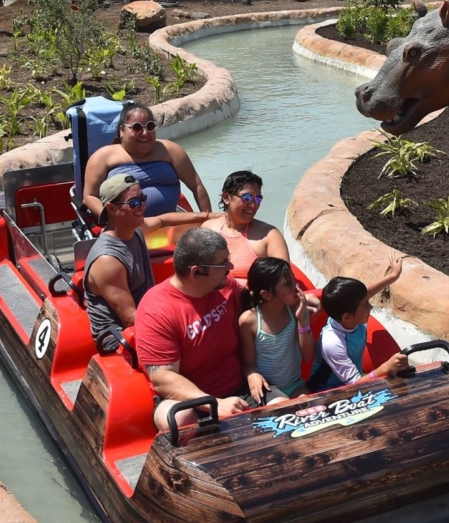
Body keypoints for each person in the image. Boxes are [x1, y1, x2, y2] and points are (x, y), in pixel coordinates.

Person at [137, 228, 270, 432]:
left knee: (284, 406)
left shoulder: (224, 285)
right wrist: (214, 403)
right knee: (176, 418)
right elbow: (163, 379)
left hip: (241, 386)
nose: (230, 267)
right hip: (190, 399)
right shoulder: (156, 310)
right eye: (223, 263)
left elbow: (253, 299)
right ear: (197, 272)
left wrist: (294, 304)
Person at [84, 174, 219, 354]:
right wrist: (185, 324)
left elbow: (164, 220)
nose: (142, 206)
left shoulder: (134, 230)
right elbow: (131, 318)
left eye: (142, 199)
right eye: (133, 203)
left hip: (149, 314)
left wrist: (211, 216)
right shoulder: (108, 261)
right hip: (120, 340)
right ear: (111, 209)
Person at [83, 103, 210, 220]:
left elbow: (196, 185)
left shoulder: (170, 150)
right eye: (137, 128)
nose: (145, 133)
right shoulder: (103, 156)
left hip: (170, 222)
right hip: (126, 228)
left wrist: (208, 220)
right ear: (122, 130)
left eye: (150, 126)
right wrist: (113, 221)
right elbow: (89, 196)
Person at [307, 255, 408, 391]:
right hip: (327, 390)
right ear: (347, 317)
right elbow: (355, 384)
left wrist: (393, 276)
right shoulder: (332, 342)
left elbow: (366, 293)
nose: (370, 307)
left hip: (354, 380)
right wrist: (385, 368)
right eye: (366, 305)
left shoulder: (348, 315)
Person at [238, 257, 315, 404]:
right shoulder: (249, 321)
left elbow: (308, 356)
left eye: (293, 279)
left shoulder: (295, 310)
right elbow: (248, 365)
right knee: (284, 412)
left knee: (314, 409)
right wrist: (251, 374)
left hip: (295, 386)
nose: (296, 286)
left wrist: (303, 321)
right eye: (287, 284)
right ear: (266, 294)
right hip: (268, 389)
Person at [201, 170, 289, 275]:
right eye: (246, 197)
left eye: (258, 199)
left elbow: (283, 279)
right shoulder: (209, 229)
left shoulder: (269, 235)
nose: (253, 205)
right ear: (226, 198)